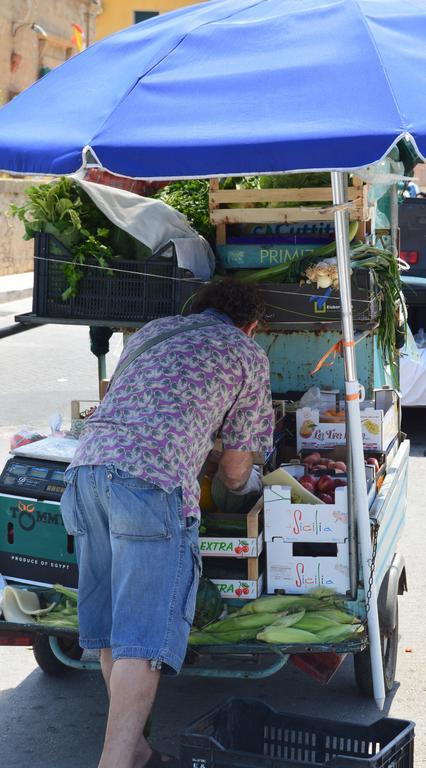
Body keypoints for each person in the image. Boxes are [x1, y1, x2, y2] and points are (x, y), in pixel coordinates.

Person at [60, 278, 274, 768]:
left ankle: (134, 750)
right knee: (143, 638)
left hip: (86, 472)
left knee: (115, 629)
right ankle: (115, 762)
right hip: (148, 484)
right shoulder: (245, 353)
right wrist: (243, 491)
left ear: (197, 307)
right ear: (252, 325)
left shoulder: (153, 331)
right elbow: (237, 469)